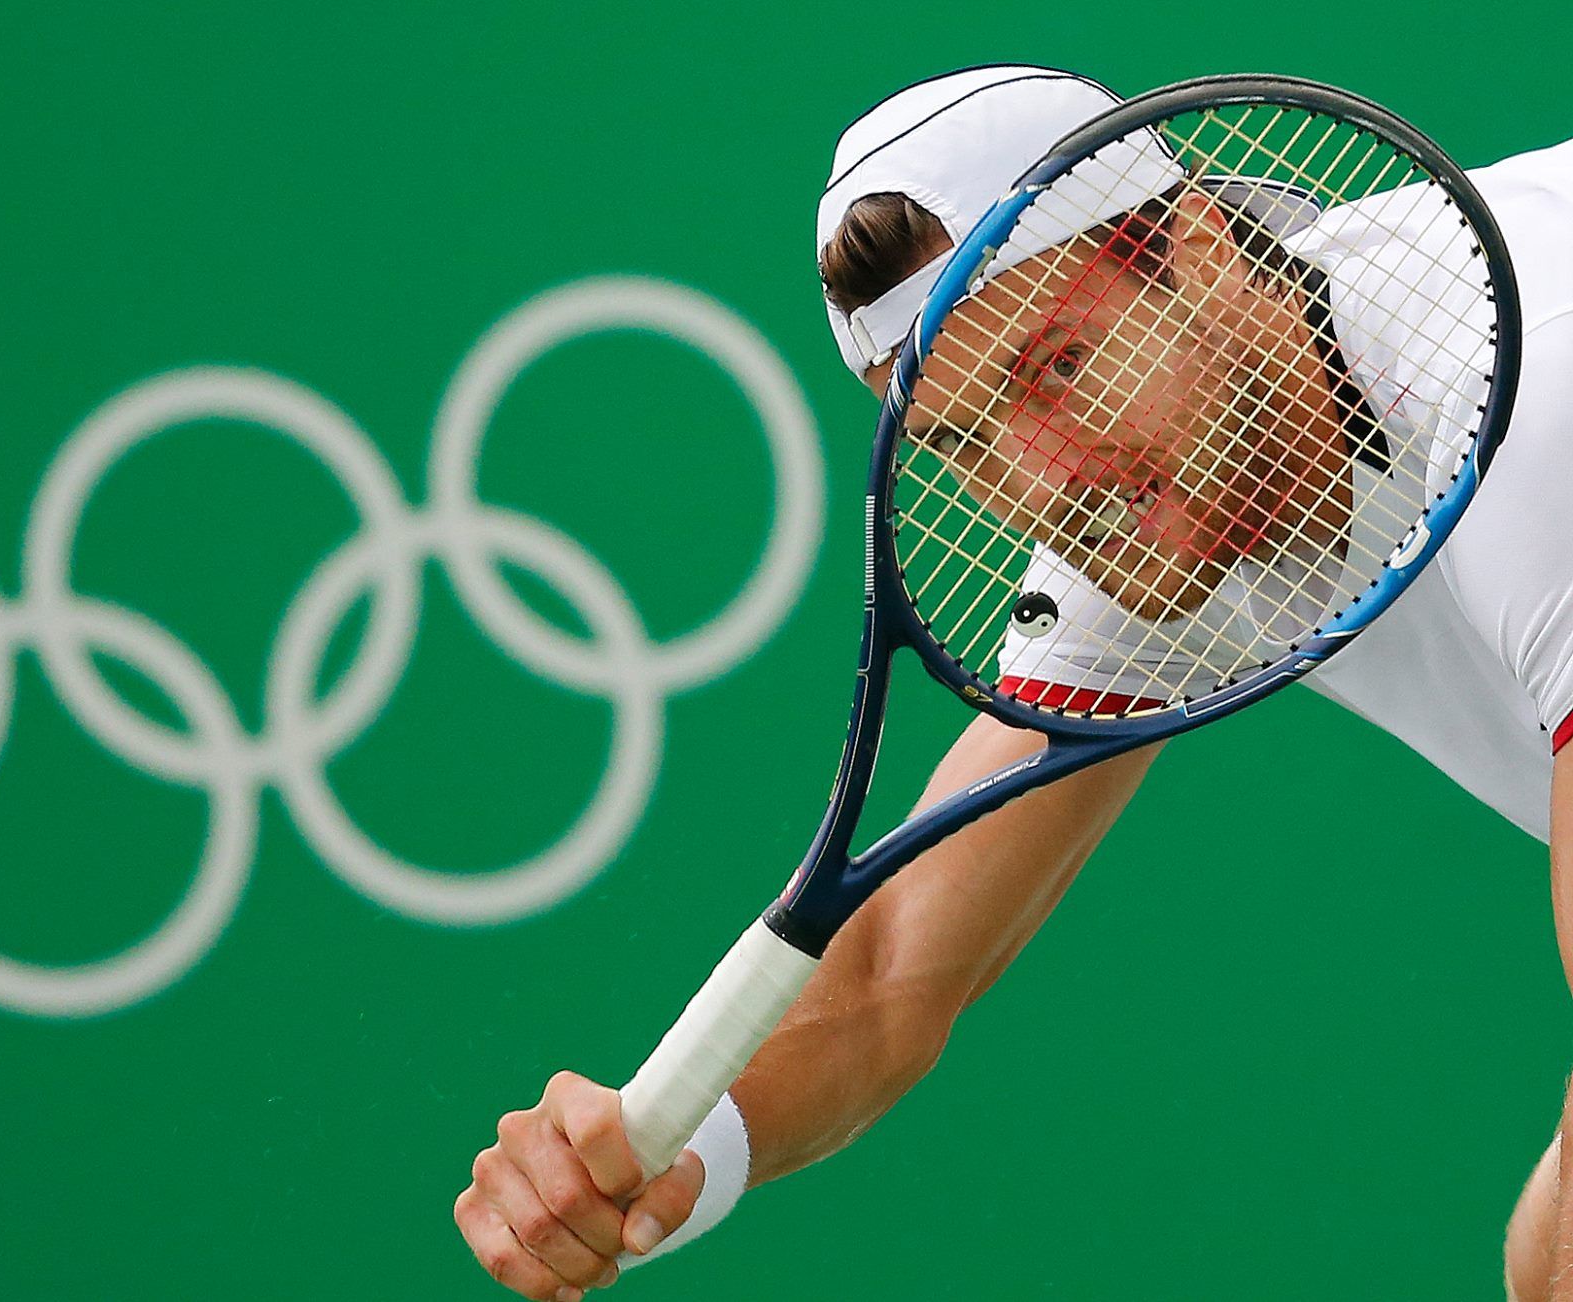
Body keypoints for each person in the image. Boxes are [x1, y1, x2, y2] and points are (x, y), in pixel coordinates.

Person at [453, 64, 1573, 1301]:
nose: (1043, 485)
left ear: (1193, 247)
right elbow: (886, 973)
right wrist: (672, 1152)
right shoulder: (1148, 503)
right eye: (968, 440)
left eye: (1056, 366)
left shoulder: (1534, 387)